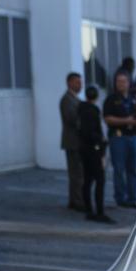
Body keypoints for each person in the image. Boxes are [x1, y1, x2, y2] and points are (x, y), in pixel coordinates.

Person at [103, 71, 136, 208]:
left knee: (132, 170)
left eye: (123, 81)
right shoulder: (111, 99)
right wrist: (125, 120)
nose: (121, 84)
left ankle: (133, 198)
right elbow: (107, 118)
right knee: (119, 169)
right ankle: (121, 198)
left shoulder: (134, 98)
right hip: (118, 138)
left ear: (128, 83)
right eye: (118, 81)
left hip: (132, 137)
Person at [77, 86, 113, 223]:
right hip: (94, 150)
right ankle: (99, 211)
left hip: (85, 149)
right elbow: (92, 132)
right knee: (99, 180)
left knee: (87, 180)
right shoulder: (92, 110)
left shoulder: (81, 108)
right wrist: (101, 143)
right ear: (96, 96)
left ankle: (89, 210)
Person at [59, 72, 84, 212]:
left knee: (79, 173)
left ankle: (76, 200)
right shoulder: (66, 100)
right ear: (69, 83)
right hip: (72, 142)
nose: (80, 85)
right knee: (76, 173)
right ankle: (76, 201)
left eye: (80, 82)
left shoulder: (75, 98)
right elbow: (72, 119)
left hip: (77, 142)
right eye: (77, 82)